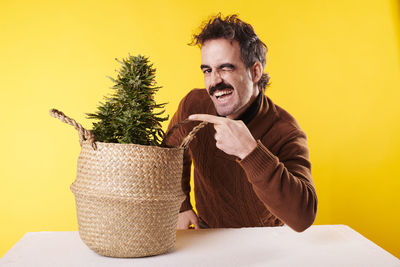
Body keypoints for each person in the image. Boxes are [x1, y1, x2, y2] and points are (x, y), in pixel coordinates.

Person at [165, 14, 317, 232]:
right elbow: (169, 153)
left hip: (265, 242)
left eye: (226, 68)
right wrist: (180, 204)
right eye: (207, 70)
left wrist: (250, 151)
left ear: (255, 71)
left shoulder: (285, 131)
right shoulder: (194, 105)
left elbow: (303, 217)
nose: (214, 81)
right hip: (206, 234)